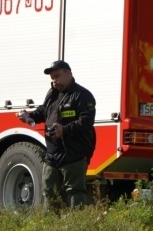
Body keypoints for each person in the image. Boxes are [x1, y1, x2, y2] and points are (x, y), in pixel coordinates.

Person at [18, 60, 96, 209]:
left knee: (74, 191)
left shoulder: (82, 95)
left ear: (68, 73)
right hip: (53, 153)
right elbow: (44, 111)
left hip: (74, 152)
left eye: (57, 76)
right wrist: (30, 116)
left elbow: (87, 121)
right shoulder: (52, 93)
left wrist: (64, 130)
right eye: (53, 78)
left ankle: (77, 226)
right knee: (48, 190)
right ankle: (51, 226)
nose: (55, 81)